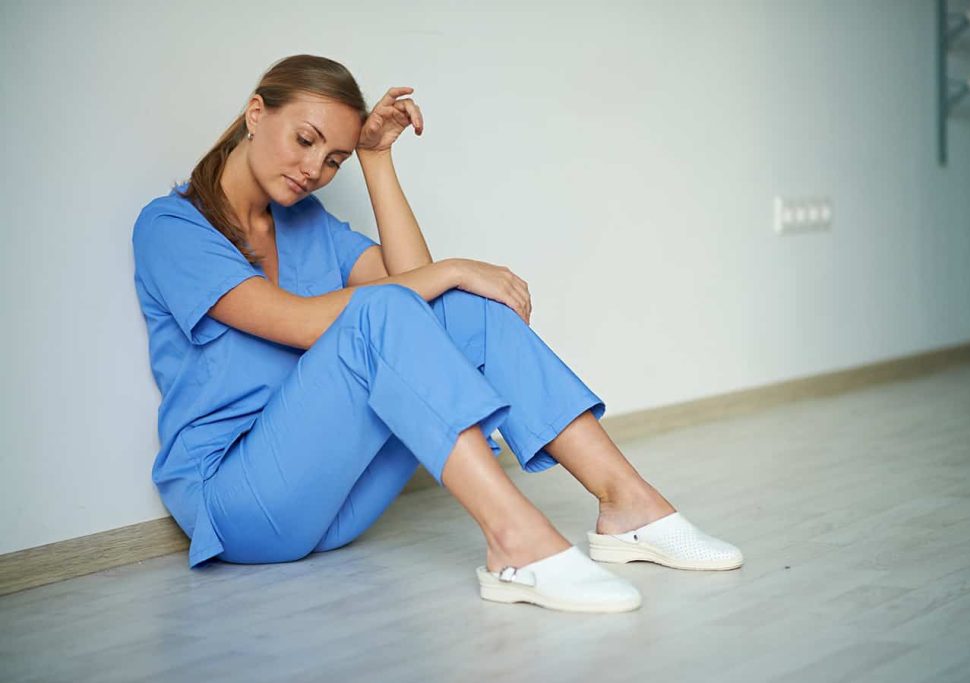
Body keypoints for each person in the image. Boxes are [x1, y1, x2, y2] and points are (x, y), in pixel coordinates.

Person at [131, 54, 744, 613]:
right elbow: (301, 321)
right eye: (305, 140)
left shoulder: (305, 222)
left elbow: (417, 293)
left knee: (463, 308)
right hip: (238, 505)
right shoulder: (171, 228)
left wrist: (376, 160)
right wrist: (453, 267)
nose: (315, 169)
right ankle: (516, 542)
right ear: (255, 114)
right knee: (399, 304)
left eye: (334, 159)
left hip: (335, 499)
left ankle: (628, 505)